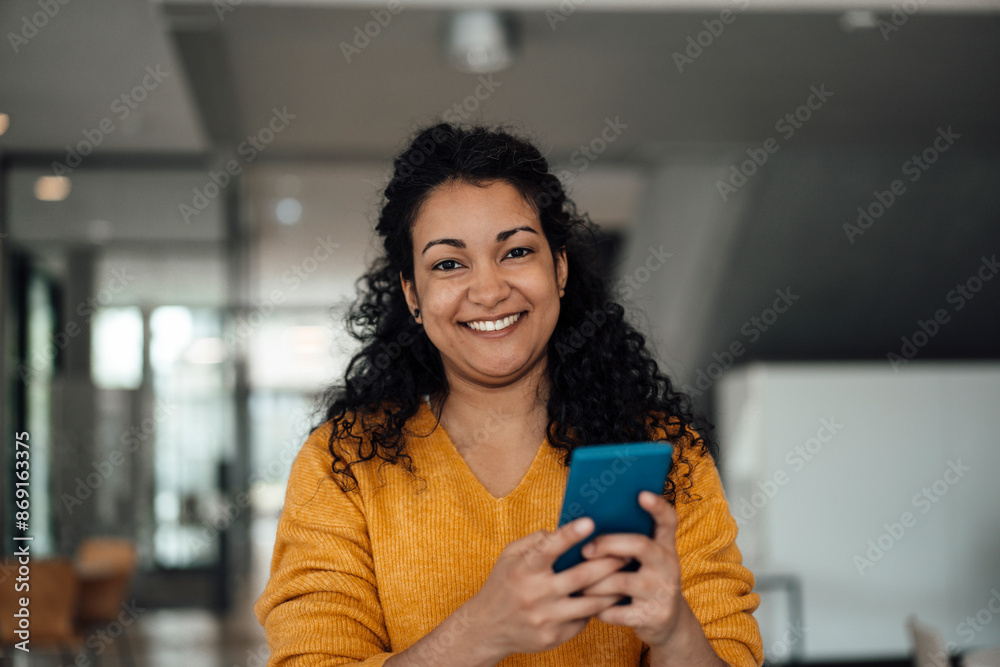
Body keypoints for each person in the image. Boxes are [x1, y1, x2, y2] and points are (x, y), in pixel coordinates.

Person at [254, 122, 763, 667]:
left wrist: (672, 628)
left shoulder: (666, 451)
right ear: (412, 294)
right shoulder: (345, 464)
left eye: (516, 251)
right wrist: (479, 632)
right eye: (449, 263)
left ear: (559, 267)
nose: (490, 290)